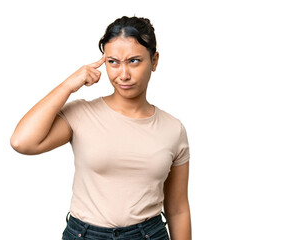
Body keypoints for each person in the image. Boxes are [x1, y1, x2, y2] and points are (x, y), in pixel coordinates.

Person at [10, 16, 191, 240]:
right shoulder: (81, 114)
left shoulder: (173, 129)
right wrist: (68, 85)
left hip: (148, 235)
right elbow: (22, 142)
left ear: (154, 61)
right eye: (113, 62)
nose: (123, 74)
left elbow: (178, 209)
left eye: (134, 61)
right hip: (85, 234)